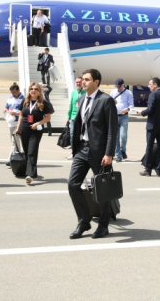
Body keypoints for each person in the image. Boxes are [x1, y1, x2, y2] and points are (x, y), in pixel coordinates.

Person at [67, 69, 118, 239]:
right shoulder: (82, 98)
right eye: (83, 79)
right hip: (82, 149)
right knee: (73, 184)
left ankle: (103, 225)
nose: (83, 82)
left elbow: (112, 129)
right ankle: (84, 221)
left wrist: (109, 153)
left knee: (102, 189)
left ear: (96, 82)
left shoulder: (106, 100)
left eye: (87, 80)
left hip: (100, 152)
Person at [15, 82, 52, 184]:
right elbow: (21, 115)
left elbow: (48, 118)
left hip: (36, 130)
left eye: (35, 89)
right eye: (31, 89)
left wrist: (38, 123)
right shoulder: (25, 101)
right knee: (27, 152)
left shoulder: (43, 103)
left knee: (32, 151)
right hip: (24, 129)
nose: (33, 91)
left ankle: (30, 175)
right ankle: (33, 172)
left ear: (39, 91)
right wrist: (18, 128)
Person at [137, 77, 160, 176]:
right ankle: (158, 169)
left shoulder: (153, 95)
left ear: (155, 85)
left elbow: (150, 109)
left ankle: (148, 169)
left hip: (153, 125)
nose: (148, 86)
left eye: (150, 84)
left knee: (149, 147)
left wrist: (141, 113)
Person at [109, 78, 134, 162]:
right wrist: (112, 102)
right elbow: (108, 103)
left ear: (123, 85)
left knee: (123, 136)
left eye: (119, 86)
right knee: (115, 137)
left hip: (124, 116)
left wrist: (127, 109)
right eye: (117, 86)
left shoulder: (128, 93)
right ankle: (118, 154)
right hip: (114, 116)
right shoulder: (113, 92)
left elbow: (131, 105)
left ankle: (123, 150)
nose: (118, 88)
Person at [4, 83, 25, 166]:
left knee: (14, 141)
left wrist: (15, 113)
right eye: (12, 93)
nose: (13, 94)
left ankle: (11, 159)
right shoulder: (10, 98)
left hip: (18, 122)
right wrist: (6, 110)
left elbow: (24, 111)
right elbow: (6, 106)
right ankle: (16, 157)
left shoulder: (23, 99)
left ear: (18, 90)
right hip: (10, 123)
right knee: (14, 142)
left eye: (15, 92)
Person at [66, 77, 84, 159]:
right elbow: (71, 105)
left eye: (80, 82)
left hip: (83, 117)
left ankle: (81, 151)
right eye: (77, 82)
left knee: (82, 135)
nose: (78, 84)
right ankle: (73, 152)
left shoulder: (85, 92)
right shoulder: (73, 93)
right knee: (72, 135)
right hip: (74, 117)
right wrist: (68, 116)